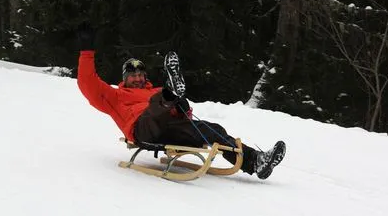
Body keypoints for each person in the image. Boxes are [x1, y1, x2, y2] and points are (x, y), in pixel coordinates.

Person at [77, 27, 285, 179]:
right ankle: (172, 93)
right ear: (125, 78)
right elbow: (88, 84)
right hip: (143, 130)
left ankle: (256, 161)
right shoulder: (114, 96)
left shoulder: (155, 90)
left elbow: (181, 116)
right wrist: (87, 51)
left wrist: (183, 108)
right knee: (155, 108)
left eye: (141, 74)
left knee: (211, 129)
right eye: (133, 76)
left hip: (170, 127)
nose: (138, 78)